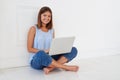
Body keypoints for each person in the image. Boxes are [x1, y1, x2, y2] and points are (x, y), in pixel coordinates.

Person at [27, 6, 79, 74]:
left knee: (73, 49)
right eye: (44, 15)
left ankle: (50, 68)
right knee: (41, 53)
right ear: (40, 16)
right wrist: (44, 51)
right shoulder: (33, 29)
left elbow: (53, 45)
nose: (47, 18)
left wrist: (59, 48)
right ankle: (66, 67)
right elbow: (29, 49)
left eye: (49, 16)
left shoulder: (51, 30)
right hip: (37, 60)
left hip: (49, 57)